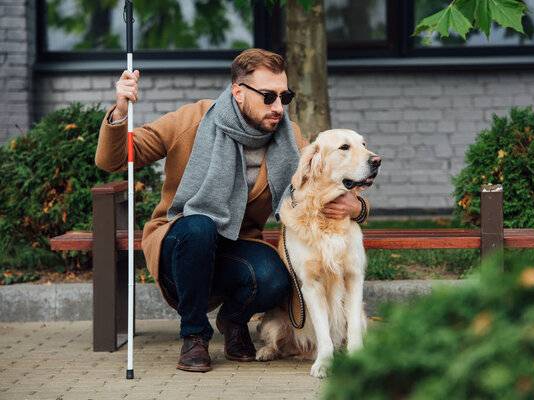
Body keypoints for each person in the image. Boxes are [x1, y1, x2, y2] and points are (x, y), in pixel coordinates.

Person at [95, 48, 369, 372]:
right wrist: (121, 110)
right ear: (239, 93)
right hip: (181, 240)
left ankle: (233, 321)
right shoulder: (192, 120)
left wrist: (358, 206)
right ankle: (194, 335)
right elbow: (112, 160)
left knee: (275, 277)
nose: (278, 107)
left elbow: (321, 181)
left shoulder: (288, 138)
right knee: (200, 225)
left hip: (237, 246)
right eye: (268, 96)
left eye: (285, 96)